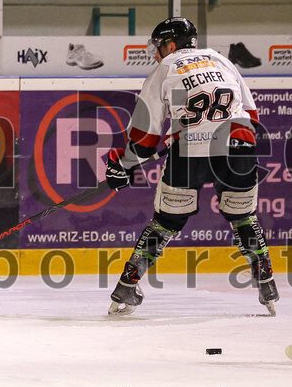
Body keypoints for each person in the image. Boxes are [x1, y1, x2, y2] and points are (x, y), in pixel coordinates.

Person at [104, 17, 279, 316]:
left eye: (159, 46)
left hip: (189, 153)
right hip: (239, 147)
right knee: (243, 218)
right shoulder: (221, 60)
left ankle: (126, 287)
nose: (156, 52)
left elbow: (145, 136)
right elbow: (251, 115)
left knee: (166, 223)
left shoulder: (165, 68)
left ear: (171, 45)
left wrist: (123, 164)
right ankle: (267, 283)